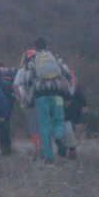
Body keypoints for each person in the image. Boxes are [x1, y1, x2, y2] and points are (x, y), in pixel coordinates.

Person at [25, 37, 71, 165]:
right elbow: (66, 73)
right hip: (57, 94)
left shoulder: (32, 60)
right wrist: (67, 94)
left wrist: (29, 100)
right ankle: (58, 135)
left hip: (41, 95)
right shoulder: (55, 58)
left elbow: (29, 81)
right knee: (59, 119)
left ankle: (49, 157)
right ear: (47, 45)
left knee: (44, 125)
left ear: (35, 46)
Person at [14, 50, 43, 159]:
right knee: (42, 124)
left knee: (33, 127)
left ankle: (38, 148)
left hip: (28, 103)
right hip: (42, 101)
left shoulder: (22, 71)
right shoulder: (41, 70)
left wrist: (22, 98)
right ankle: (45, 148)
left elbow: (15, 86)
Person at [62, 73, 88, 160]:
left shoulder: (59, 77)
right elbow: (79, 90)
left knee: (66, 126)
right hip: (76, 105)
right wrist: (84, 104)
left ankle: (70, 149)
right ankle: (72, 148)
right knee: (71, 127)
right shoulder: (71, 76)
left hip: (66, 106)